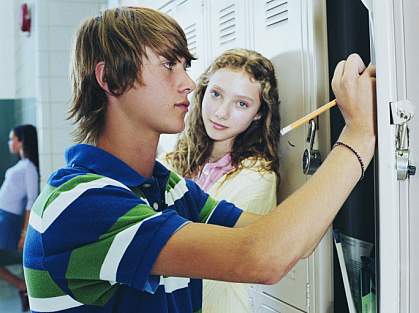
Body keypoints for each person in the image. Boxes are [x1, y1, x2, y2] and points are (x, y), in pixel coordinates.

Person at [23, 6, 376, 313]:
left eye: (185, 66)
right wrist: (358, 134)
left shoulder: (170, 187)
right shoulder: (78, 203)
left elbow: (294, 243)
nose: (190, 83)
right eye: (169, 65)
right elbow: (262, 257)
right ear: (109, 78)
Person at [164, 48, 280, 312]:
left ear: (259, 113)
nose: (221, 112)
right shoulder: (169, 163)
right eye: (216, 95)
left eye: (241, 104)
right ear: (203, 93)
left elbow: (207, 251)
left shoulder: (258, 178)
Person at [0, 124, 39, 311]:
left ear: (20, 140)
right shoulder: (22, 165)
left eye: (11, 138)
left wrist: (25, 232)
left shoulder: (29, 167)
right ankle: (23, 287)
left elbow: (31, 200)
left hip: (8, 220)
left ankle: (23, 287)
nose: (9, 142)